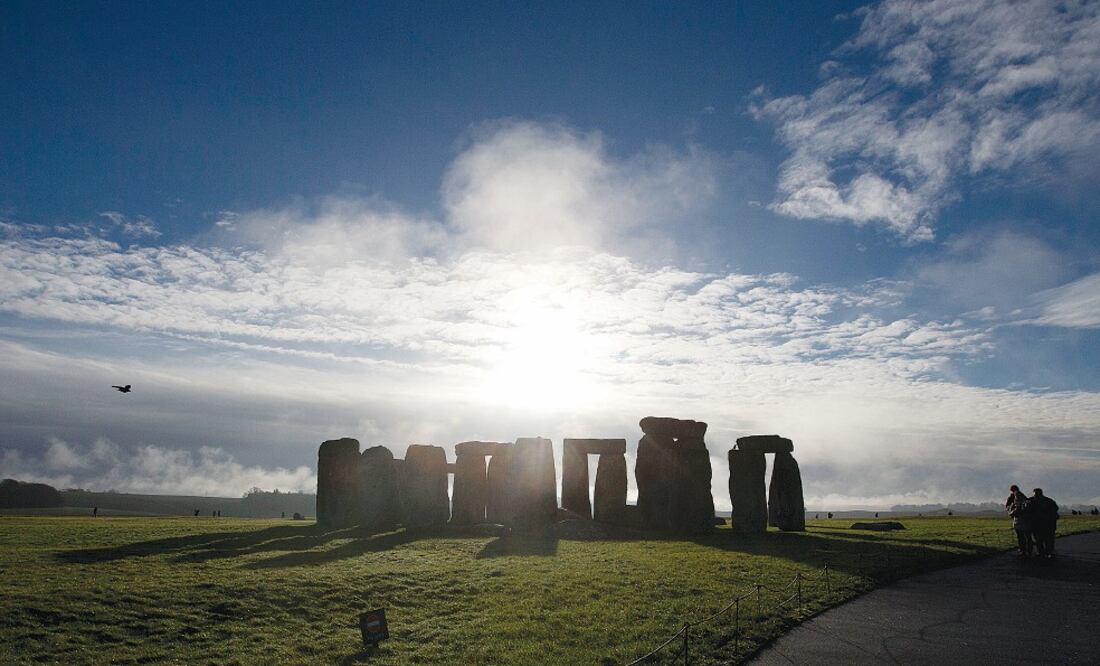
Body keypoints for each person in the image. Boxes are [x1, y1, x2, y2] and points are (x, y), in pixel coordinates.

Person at [1029, 488, 1059, 558]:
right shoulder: (1049, 501)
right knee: (1043, 540)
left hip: (1043, 524)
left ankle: (1044, 553)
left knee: (1043, 540)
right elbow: (1056, 508)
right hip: (1043, 524)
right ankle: (1046, 552)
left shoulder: (1032, 501)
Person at [1006, 484, 1032, 557]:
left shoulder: (1016, 495)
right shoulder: (1024, 496)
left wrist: (1011, 512)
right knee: (1027, 536)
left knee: (1020, 536)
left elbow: (1017, 507)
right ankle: (1029, 550)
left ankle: (1023, 551)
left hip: (1020, 519)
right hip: (1027, 519)